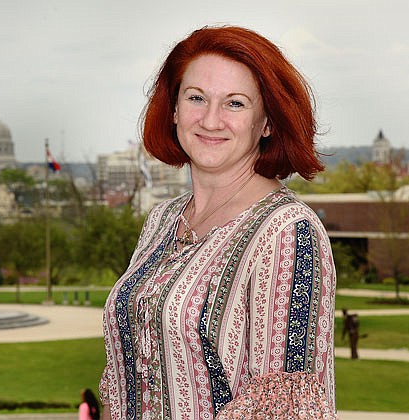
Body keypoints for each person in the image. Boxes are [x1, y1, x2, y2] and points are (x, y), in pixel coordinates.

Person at [100, 25, 336, 419]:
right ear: (174, 109)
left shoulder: (287, 232)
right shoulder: (162, 219)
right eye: (196, 98)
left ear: (267, 123)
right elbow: (119, 381)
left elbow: (283, 410)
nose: (211, 120)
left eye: (235, 103)